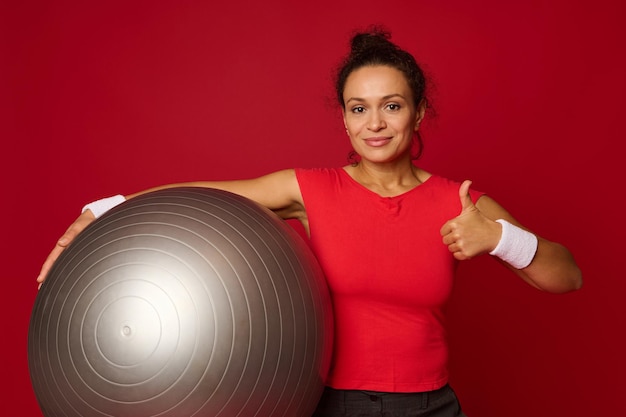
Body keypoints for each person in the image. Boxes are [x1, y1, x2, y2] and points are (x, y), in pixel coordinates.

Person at [36, 28, 582, 417]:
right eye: (357, 107)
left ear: (418, 112)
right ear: (343, 117)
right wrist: (104, 208)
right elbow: (204, 193)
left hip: (433, 405)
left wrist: (500, 238)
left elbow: (567, 276)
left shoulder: (456, 200)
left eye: (391, 106)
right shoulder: (312, 190)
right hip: (331, 404)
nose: (374, 123)